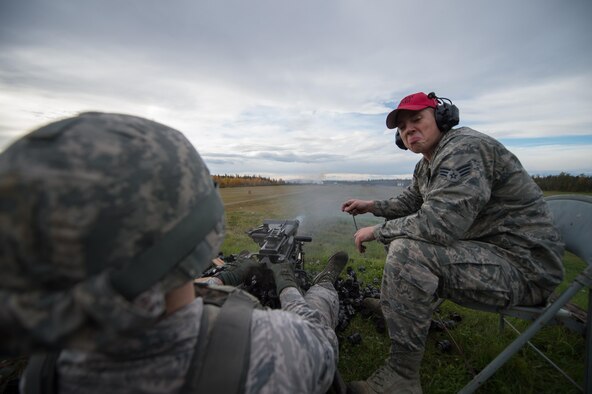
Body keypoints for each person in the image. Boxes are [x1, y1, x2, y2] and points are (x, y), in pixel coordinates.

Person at [0, 112, 349, 394]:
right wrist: (289, 285)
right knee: (319, 298)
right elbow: (319, 336)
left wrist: (227, 275)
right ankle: (327, 281)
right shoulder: (277, 347)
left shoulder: (42, 372)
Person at [341, 92, 564, 393]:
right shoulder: (427, 164)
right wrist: (372, 206)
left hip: (524, 268)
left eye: (417, 119)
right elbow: (411, 201)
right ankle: (400, 310)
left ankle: (401, 378)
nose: (408, 130)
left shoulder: (464, 149)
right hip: (492, 254)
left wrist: (376, 231)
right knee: (404, 240)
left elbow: (437, 224)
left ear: (442, 118)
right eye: (402, 127)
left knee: (407, 251)